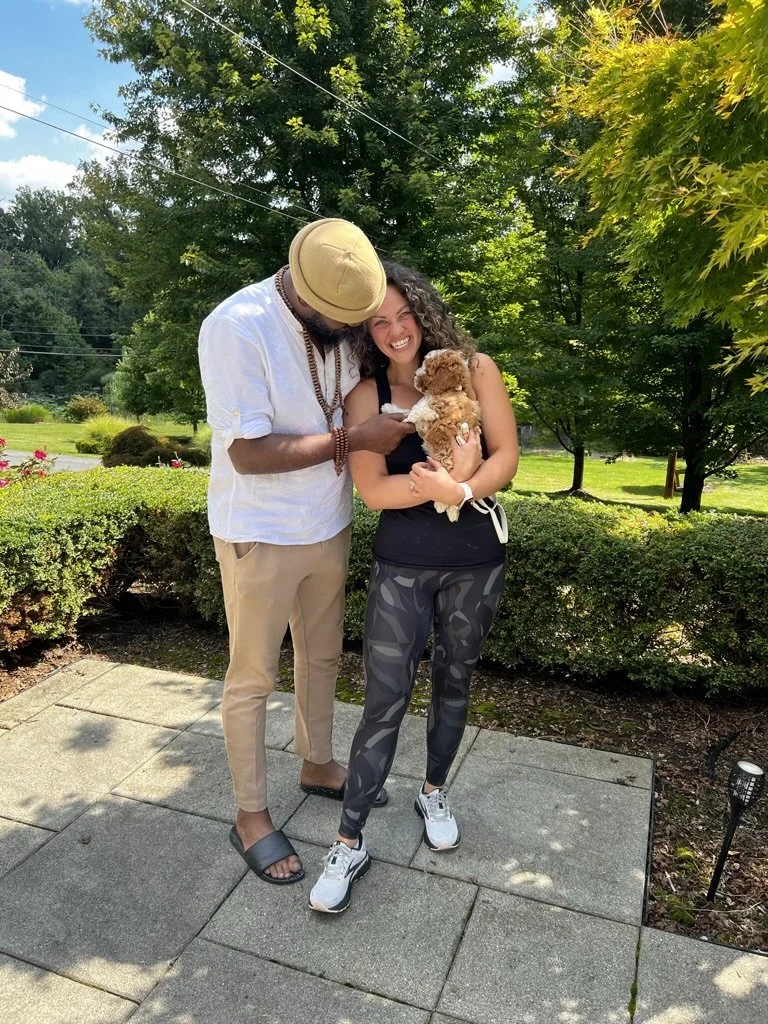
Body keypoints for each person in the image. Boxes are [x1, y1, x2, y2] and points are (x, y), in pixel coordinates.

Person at [198, 220, 415, 886]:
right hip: (259, 530)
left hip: (327, 522)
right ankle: (251, 815)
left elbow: (354, 393)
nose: (354, 330)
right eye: (342, 319)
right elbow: (248, 453)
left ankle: (317, 762)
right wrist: (354, 441)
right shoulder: (237, 326)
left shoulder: (338, 319)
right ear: (301, 286)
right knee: (253, 676)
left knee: (322, 655)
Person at [309, 262, 519, 913]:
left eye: (404, 314)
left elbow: (506, 457)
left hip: (475, 561)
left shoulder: (474, 369)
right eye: (379, 321)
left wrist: (458, 490)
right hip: (401, 564)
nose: (395, 331)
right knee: (384, 697)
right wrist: (426, 490)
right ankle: (349, 840)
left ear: (423, 313)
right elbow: (371, 490)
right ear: (365, 331)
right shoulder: (365, 394)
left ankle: (433, 790)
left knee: (455, 679)